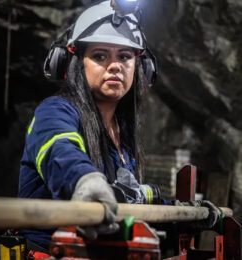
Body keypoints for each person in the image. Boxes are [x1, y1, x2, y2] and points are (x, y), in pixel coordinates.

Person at [17, 0, 221, 256]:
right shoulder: (55, 112)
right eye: (100, 55)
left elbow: (131, 197)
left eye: (124, 56)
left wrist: (186, 213)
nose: (115, 65)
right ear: (76, 63)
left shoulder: (122, 135)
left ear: (141, 68)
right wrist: (84, 181)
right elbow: (60, 149)